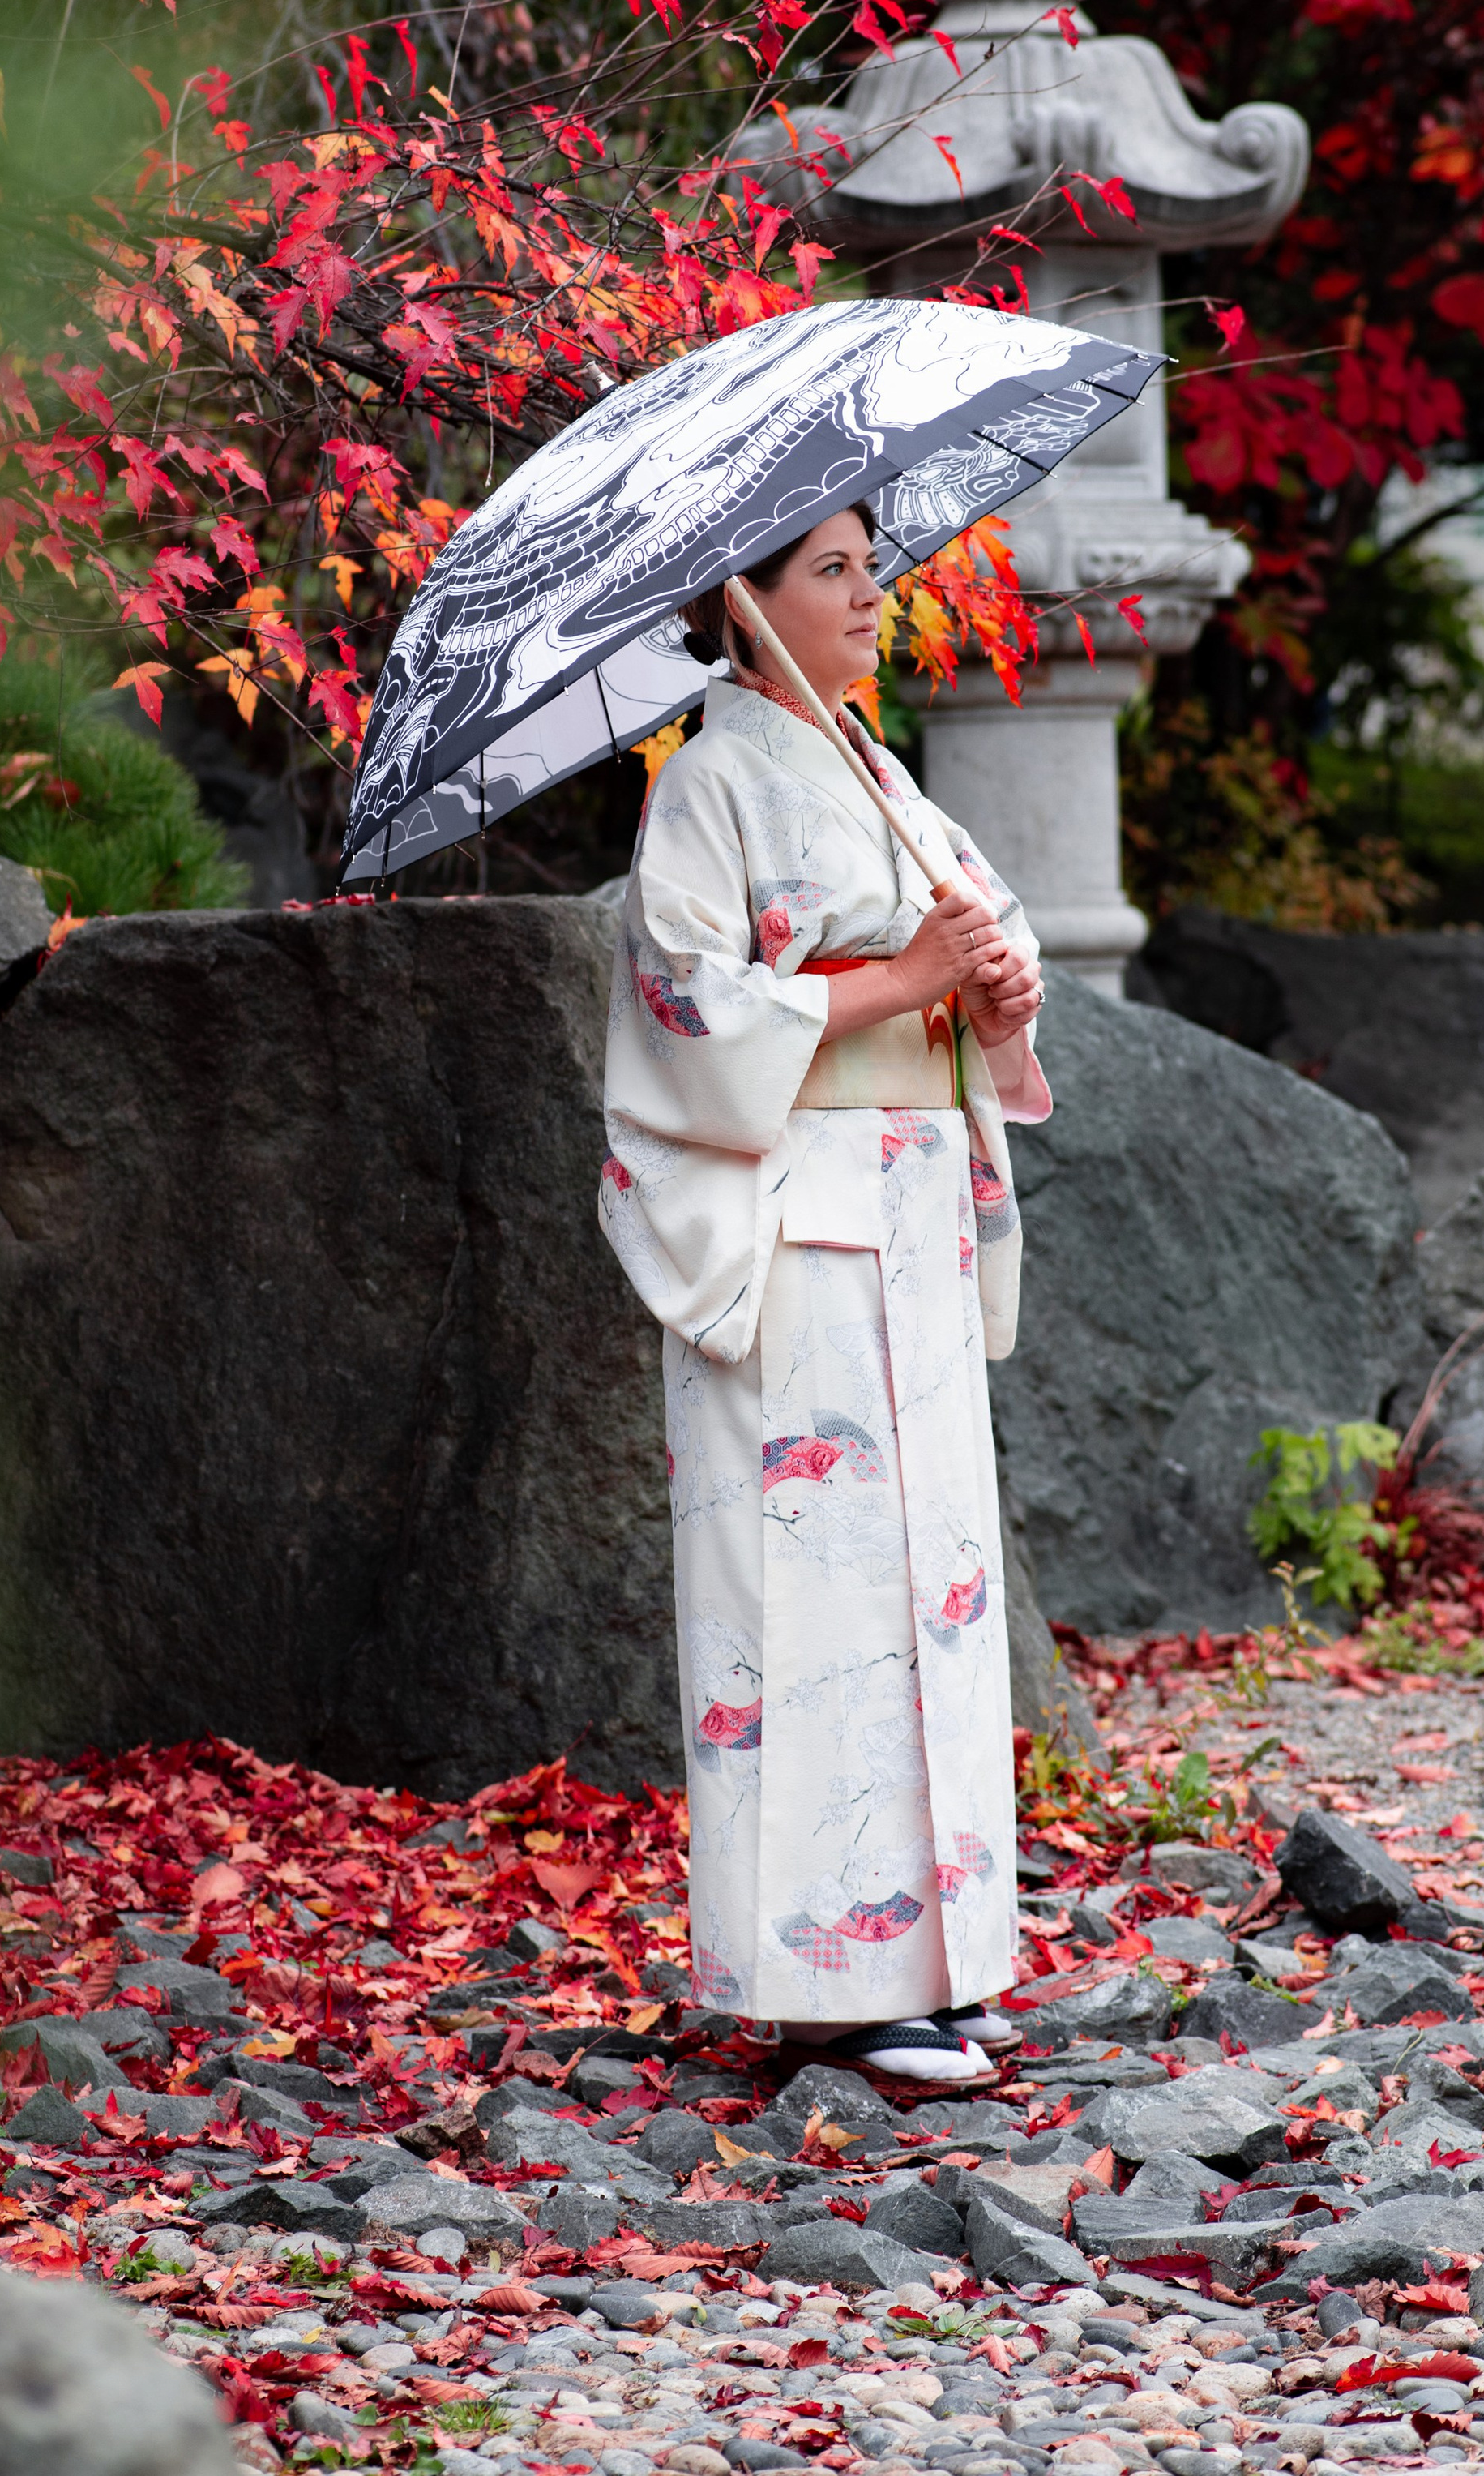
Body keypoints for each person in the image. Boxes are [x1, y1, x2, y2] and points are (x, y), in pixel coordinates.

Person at [597, 503, 1051, 2085]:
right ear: (745, 600)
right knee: (815, 1599)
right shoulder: (706, 783)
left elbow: (980, 944)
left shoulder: (875, 768)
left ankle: (941, 1956)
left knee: (928, 1592)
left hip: (909, 1209)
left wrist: (991, 988)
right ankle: (823, 1983)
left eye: (873, 567)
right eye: (831, 572)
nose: (870, 597)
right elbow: (688, 1014)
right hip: (792, 1229)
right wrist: (913, 981)